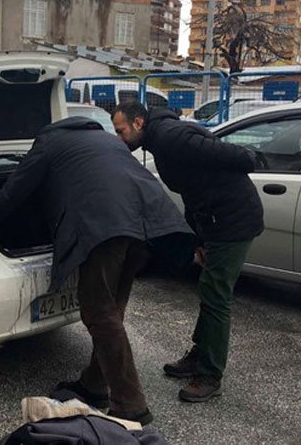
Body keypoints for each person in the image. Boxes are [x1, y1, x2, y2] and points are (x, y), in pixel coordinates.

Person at [0, 116, 193, 425]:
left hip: (106, 226)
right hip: (148, 223)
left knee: (99, 313)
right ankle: (94, 384)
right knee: (112, 310)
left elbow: (14, 192)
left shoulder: (48, 143)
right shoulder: (105, 139)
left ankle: (130, 405)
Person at [111, 101, 264, 403]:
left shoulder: (172, 137)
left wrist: (250, 157)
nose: (119, 138)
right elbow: (192, 191)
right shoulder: (159, 141)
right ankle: (199, 355)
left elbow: (237, 157)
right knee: (208, 289)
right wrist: (198, 238)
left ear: (138, 123)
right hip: (214, 221)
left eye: (121, 131)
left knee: (216, 294)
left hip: (234, 220)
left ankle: (209, 375)